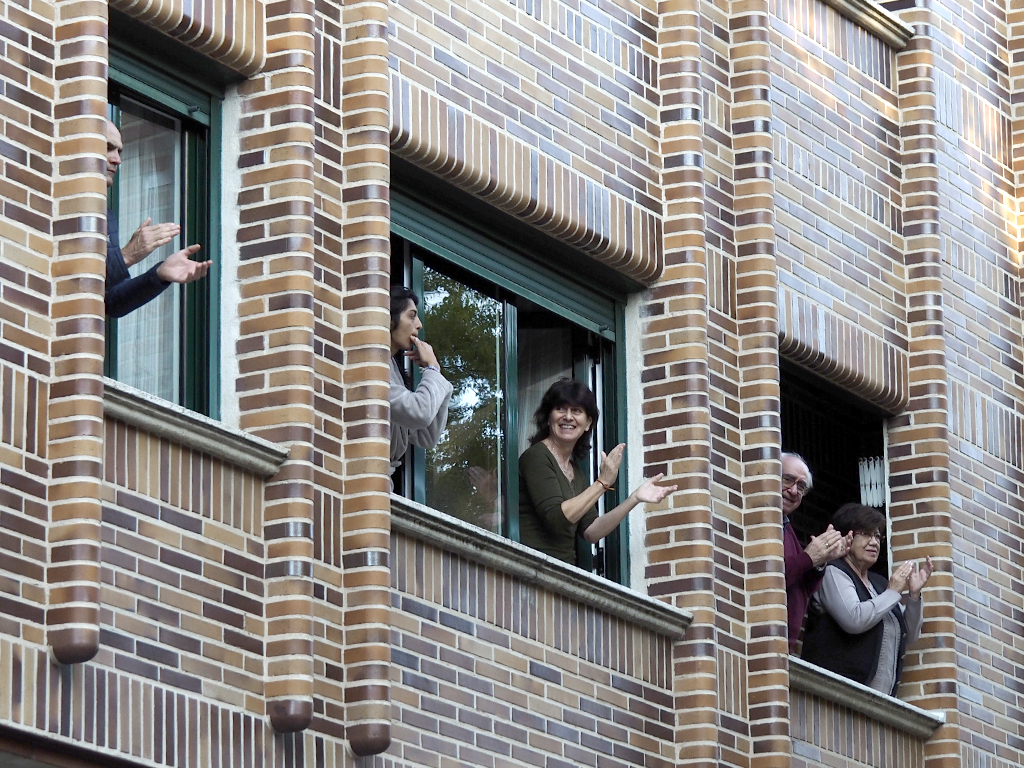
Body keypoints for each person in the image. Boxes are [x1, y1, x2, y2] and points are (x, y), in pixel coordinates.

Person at [518, 378, 677, 566]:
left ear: (587, 423)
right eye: (560, 408)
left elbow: (591, 532)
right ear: (548, 417)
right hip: (531, 571)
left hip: (562, 573)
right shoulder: (537, 456)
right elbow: (557, 519)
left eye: (576, 411)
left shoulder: (575, 470)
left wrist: (634, 498)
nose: (568, 417)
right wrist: (602, 483)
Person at [801, 503, 932, 695]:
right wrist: (893, 592)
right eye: (865, 534)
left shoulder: (879, 584)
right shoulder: (832, 572)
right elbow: (854, 619)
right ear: (846, 536)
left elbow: (909, 635)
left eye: (878, 536)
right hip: (837, 698)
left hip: (881, 702)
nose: (874, 542)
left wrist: (913, 596)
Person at [103, 118, 211, 317]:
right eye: (108, 148)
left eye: (119, 151)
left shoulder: (105, 215)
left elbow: (110, 302)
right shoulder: (54, 201)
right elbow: (69, 284)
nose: (117, 160)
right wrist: (126, 256)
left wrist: (159, 274)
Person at [781, 452, 851, 652]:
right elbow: (771, 579)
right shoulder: (762, 524)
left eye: (801, 487)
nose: (793, 491)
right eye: (787, 480)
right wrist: (808, 557)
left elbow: (803, 588)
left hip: (785, 647)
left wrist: (821, 561)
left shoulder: (787, 529)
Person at [388, 286, 453, 483]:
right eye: (412, 316)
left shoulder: (394, 369)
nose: (419, 325)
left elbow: (427, 436)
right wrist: (432, 369)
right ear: (389, 319)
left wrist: (434, 372)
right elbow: (421, 412)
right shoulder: (371, 364)